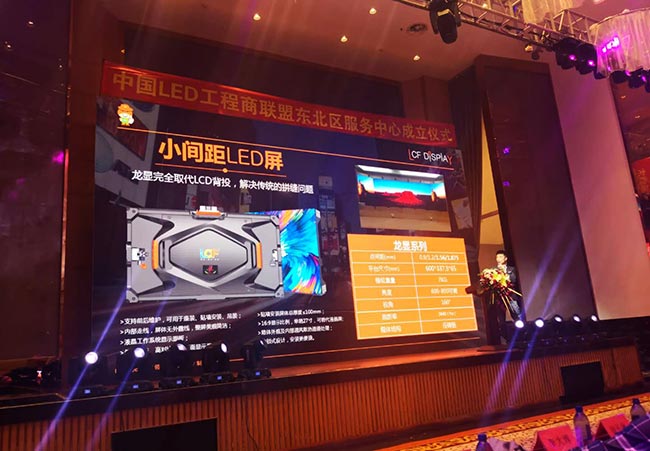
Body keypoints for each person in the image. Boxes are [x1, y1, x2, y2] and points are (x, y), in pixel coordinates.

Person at [494, 250, 523, 321]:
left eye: (500, 257)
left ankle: (520, 326)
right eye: (497, 257)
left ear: (505, 258)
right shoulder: (493, 271)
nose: (498, 259)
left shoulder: (512, 269)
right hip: (500, 297)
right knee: (500, 318)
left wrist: (504, 271)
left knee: (517, 316)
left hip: (511, 296)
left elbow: (513, 279)